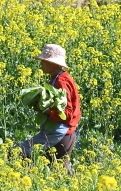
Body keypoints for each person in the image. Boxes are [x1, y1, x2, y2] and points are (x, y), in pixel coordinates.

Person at [18, 44, 81, 175]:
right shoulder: (58, 78)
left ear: (54, 64)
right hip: (67, 134)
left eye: (44, 61)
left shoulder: (61, 82)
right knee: (61, 173)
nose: (41, 63)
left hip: (59, 133)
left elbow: (68, 114)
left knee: (19, 153)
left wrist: (46, 111)